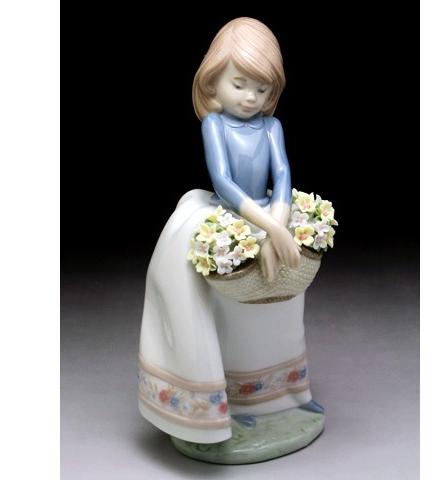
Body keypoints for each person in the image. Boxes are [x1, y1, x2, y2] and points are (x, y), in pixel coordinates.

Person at [138, 17, 323, 446]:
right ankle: (234, 401)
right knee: (229, 315)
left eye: (261, 89)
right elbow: (223, 182)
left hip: (271, 215)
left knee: (281, 307)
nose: (250, 97)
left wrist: (280, 226)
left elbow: (283, 174)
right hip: (232, 215)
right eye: (239, 84)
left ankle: (284, 395)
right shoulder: (215, 125)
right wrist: (268, 228)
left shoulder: (272, 127)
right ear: (212, 83)